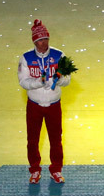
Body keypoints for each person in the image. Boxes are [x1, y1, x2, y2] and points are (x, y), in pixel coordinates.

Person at [17, 19, 71, 184]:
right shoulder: (26, 58)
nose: (43, 43)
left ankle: (56, 169)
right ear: (34, 41)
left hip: (54, 105)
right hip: (34, 106)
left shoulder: (59, 55)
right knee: (32, 139)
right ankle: (34, 169)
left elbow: (68, 79)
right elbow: (23, 82)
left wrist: (58, 80)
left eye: (46, 39)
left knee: (56, 139)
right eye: (40, 40)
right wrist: (38, 83)